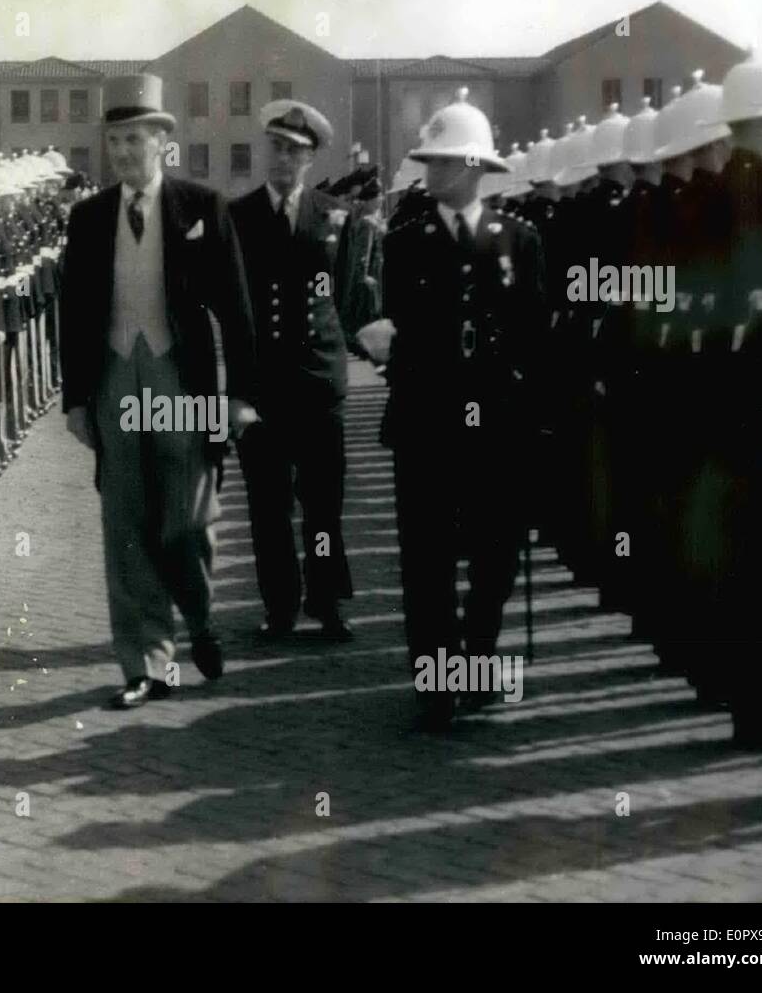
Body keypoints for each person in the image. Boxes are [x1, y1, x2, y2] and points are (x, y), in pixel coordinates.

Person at [59, 73, 259, 709]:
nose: (123, 151)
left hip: (182, 380)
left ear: (162, 142)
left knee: (189, 519)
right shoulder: (88, 218)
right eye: (114, 139)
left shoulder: (202, 207)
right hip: (117, 377)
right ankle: (145, 663)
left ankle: (199, 616)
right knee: (125, 521)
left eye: (136, 138)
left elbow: (237, 308)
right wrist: (74, 399)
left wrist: (238, 397)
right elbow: (73, 310)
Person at [379, 88, 545, 729]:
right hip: (427, 421)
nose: (432, 173)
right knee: (426, 559)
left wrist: (538, 419)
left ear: (475, 167)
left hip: (499, 425)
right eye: (430, 162)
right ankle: (437, 679)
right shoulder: (406, 242)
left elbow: (534, 335)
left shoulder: (519, 241)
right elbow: (393, 329)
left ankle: (477, 659)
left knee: (497, 555)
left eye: (445, 162)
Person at [229, 99, 355, 643]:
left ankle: (325, 601)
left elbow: (346, 299)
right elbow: (233, 314)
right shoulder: (238, 217)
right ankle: (279, 604)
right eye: (276, 148)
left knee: (323, 502)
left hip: (318, 383)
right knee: (269, 504)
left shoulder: (334, 216)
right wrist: (236, 393)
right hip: (264, 385)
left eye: (295, 152)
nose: (283, 159)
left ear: (310, 159)